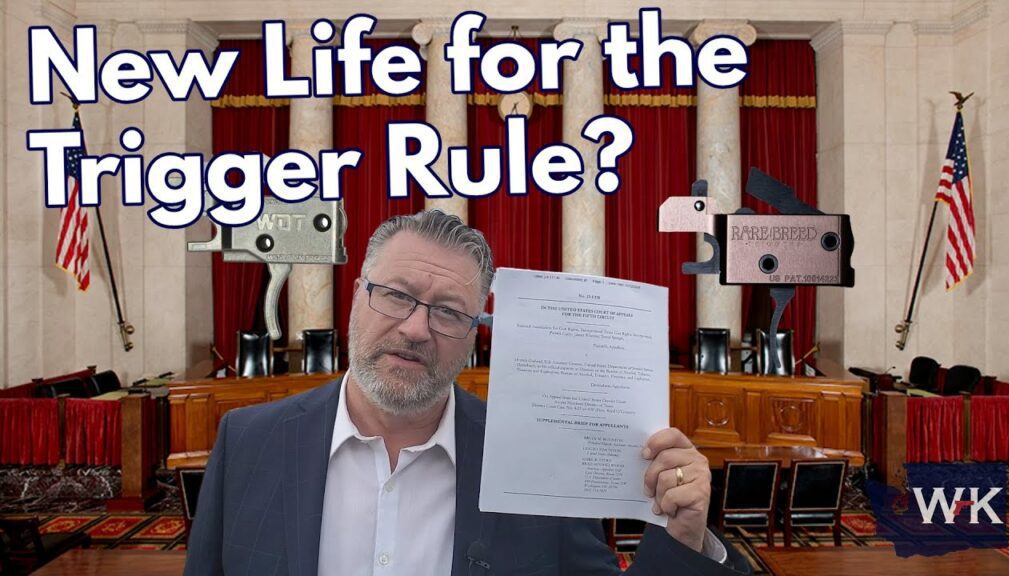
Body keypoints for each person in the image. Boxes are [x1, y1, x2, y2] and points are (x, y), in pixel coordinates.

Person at [184, 210, 750, 575]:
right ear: (357, 294)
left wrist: (684, 538)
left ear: (476, 333)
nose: (414, 328)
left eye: (450, 312)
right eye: (396, 295)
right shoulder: (247, 442)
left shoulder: (538, 463)